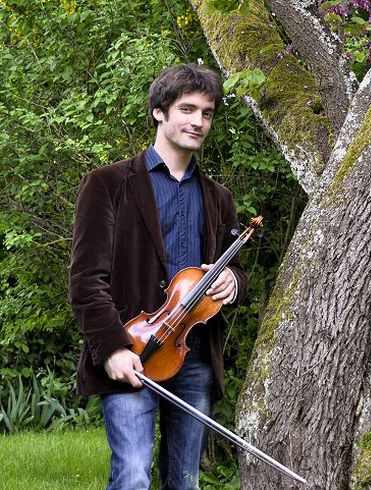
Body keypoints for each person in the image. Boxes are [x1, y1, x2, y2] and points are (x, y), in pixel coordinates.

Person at [69, 64, 247, 490]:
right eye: (187, 109)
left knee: (185, 482)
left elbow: (233, 267)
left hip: (194, 357)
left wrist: (232, 283)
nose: (198, 122)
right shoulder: (107, 184)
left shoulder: (218, 197)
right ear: (159, 113)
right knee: (131, 477)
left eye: (207, 113)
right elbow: (85, 280)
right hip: (132, 349)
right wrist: (111, 348)